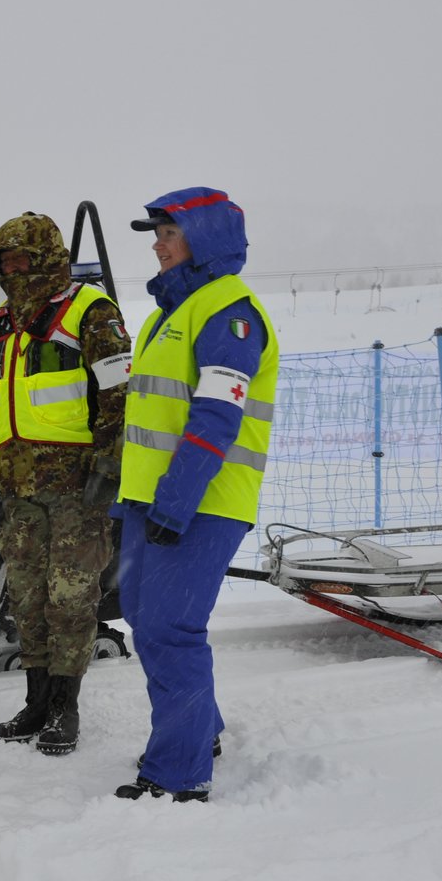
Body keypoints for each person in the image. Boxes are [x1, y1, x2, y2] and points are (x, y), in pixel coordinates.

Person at [112, 187, 278, 803]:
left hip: (201, 502)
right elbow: (153, 412)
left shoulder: (229, 316)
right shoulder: (170, 313)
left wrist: (174, 503)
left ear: (204, 238)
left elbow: (214, 418)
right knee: (142, 619)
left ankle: (177, 774)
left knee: (170, 629)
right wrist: (130, 500)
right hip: (150, 502)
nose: (156, 245)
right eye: (155, 234)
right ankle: (199, 729)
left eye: (168, 234)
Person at [0, 213, 131, 756]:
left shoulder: (92, 314)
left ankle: (66, 706)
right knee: (28, 599)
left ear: (48, 260)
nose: (10, 270)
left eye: (19, 260)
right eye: (2, 262)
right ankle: (36, 703)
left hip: (79, 491)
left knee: (71, 599)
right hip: (17, 493)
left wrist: (109, 468)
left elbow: (121, 399)